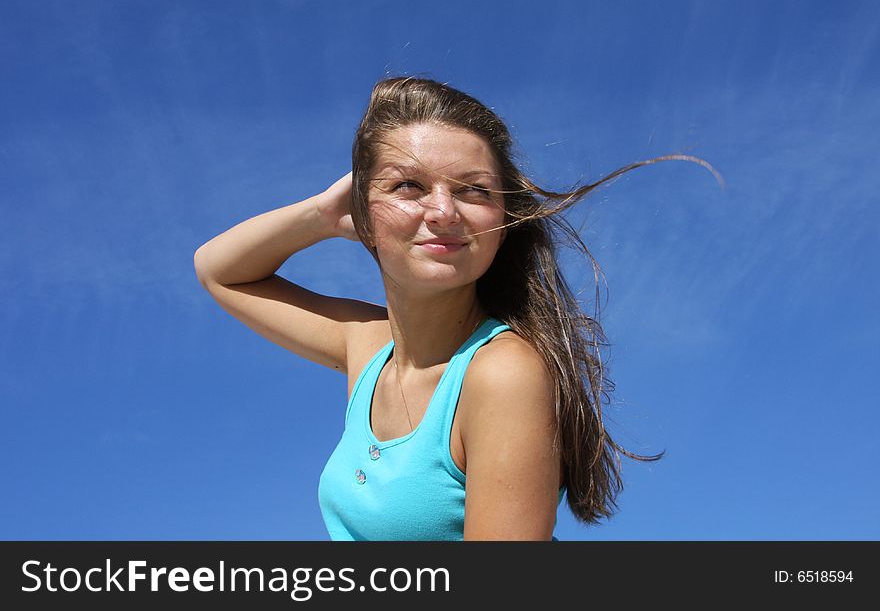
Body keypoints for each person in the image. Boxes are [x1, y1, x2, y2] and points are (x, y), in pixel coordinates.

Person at [193, 76, 722, 540]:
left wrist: (388, 196)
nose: (444, 211)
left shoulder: (501, 374)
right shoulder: (367, 346)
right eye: (409, 186)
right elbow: (219, 270)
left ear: (501, 219)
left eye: (473, 190)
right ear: (363, 211)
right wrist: (322, 214)